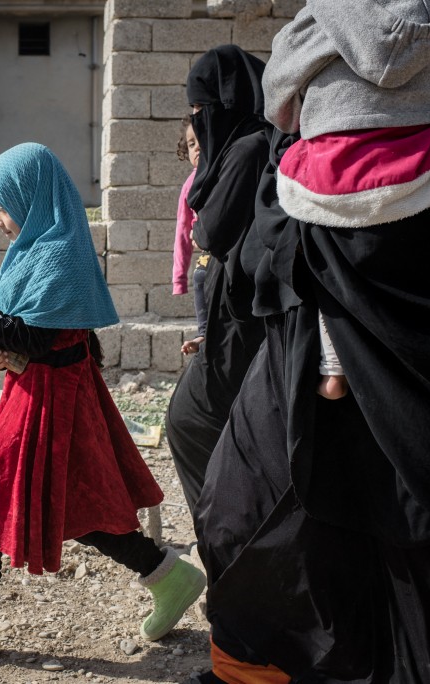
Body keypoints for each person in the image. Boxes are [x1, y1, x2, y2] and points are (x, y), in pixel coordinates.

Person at [189, 3, 430, 679]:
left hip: (407, 358)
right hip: (417, 343)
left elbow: (261, 217)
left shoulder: (304, 60)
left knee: (295, 517)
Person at [0, 142, 206, 661]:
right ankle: (169, 577)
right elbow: (46, 338)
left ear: (32, 196)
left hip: (51, 400)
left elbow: (39, 338)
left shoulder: (57, 253)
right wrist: (4, 352)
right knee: (80, 502)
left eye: (0, 206)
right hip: (50, 390)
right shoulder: (42, 247)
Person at [261, 0, 430, 402]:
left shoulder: (317, 18)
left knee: (317, 248)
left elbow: (276, 93)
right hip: (426, 170)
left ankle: (333, 364)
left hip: (328, 177)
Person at [163, 45, 271, 514]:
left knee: (192, 423)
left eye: (200, 110)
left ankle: (228, 530)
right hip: (234, 321)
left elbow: (209, 229)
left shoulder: (248, 150)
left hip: (244, 323)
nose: (197, 123)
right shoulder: (254, 144)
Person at [172, 119, 208, 355]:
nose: (197, 148)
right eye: (191, 143)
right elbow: (183, 231)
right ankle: (203, 332)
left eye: (201, 141)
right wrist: (179, 278)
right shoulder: (190, 185)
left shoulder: (230, 170)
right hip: (207, 253)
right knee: (201, 277)